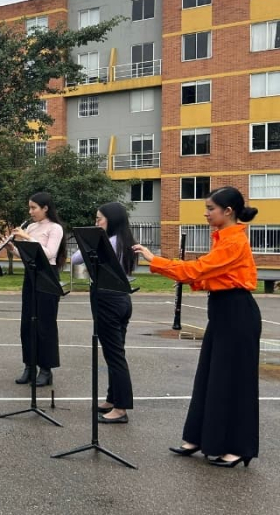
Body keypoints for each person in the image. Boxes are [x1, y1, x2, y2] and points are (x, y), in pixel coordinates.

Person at [133, 186, 261, 468]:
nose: (205, 213)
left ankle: (238, 447)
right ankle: (202, 438)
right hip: (223, 311)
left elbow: (198, 270)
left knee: (233, 382)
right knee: (210, 376)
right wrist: (191, 276)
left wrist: (157, 262)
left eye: (210, 208)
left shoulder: (234, 241)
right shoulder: (222, 238)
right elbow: (207, 276)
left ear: (228, 212)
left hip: (238, 313)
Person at [70, 202, 135, 423]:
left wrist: (92, 237)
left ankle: (121, 408)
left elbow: (76, 259)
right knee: (115, 352)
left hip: (107, 300)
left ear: (111, 220)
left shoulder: (106, 242)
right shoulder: (125, 241)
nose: (96, 222)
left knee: (114, 356)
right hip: (122, 300)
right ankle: (112, 398)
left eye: (99, 219)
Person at [6, 191, 66, 387]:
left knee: (45, 324)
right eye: (30, 207)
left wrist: (26, 237)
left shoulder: (55, 228)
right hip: (31, 276)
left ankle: (46, 370)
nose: (30, 211)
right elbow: (26, 254)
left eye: (34, 208)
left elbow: (49, 253)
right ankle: (29, 366)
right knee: (27, 323)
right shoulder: (31, 226)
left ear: (45, 208)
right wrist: (11, 247)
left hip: (47, 277)